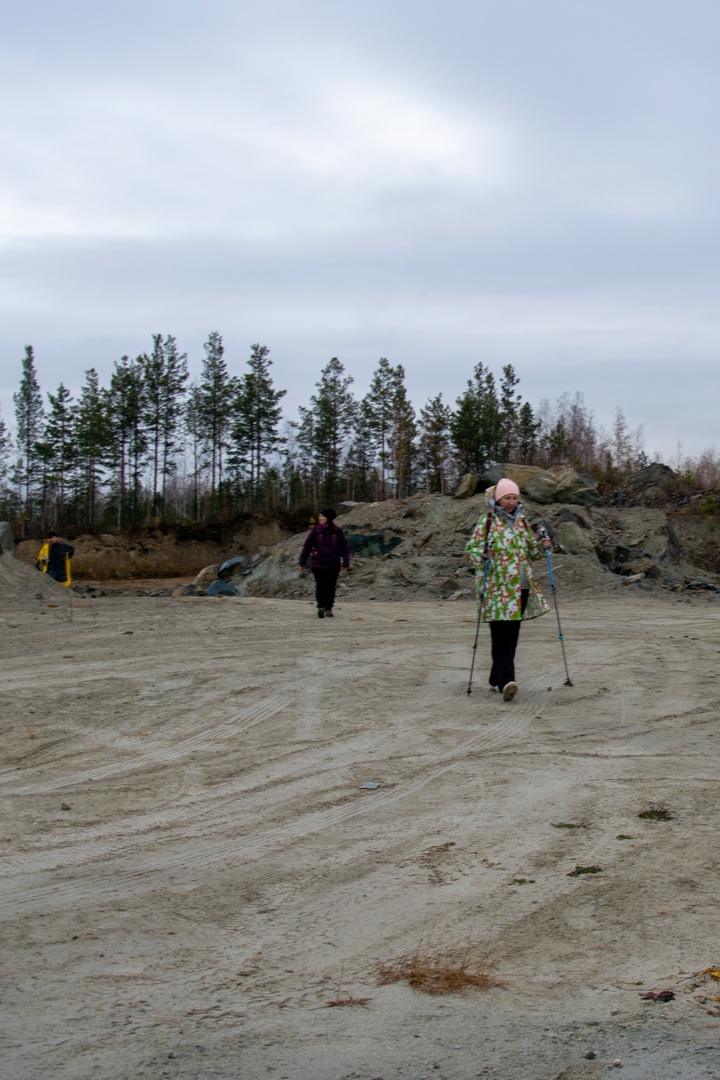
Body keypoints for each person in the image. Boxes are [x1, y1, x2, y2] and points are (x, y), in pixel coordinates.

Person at [466, 479, 551, 701]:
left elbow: (531, 553)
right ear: (498, 499)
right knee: (501, 635)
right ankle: (506, 682)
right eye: (507, 498)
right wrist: (484, 554)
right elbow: (471, 550)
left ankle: (496, 677)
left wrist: (543, 548)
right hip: (496, 589)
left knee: (512, 636)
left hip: (520, 588)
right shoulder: (487, 521)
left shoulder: (522, 523)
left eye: (514, 498)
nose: (511, 502)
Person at [299, 509, 350, 618]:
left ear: (328, 518)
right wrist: (302, 561)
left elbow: (345, 548)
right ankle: (321, 607)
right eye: (319, 516)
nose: (320, 518)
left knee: (331, 586)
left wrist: (346, 563)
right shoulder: (315, 531)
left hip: (333, 564)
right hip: (318, 563)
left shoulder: (337, 531)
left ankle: (329, 608)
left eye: (322, 516)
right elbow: (307, 546)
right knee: (320, 585)